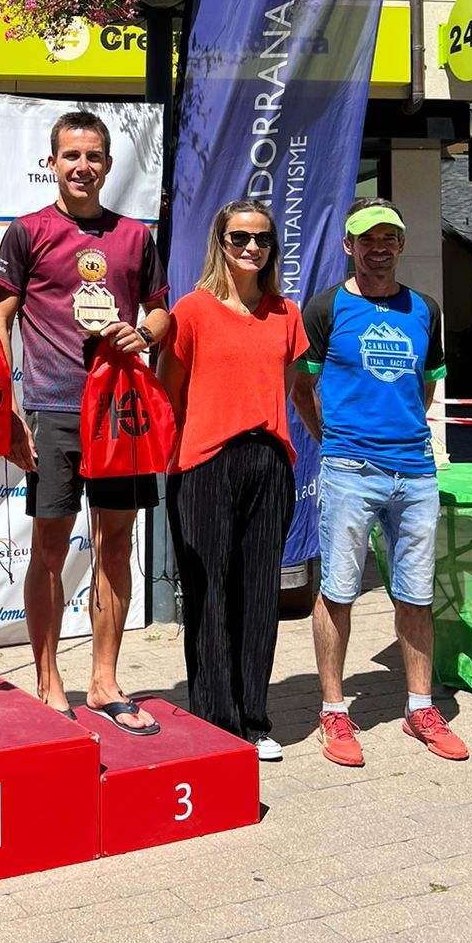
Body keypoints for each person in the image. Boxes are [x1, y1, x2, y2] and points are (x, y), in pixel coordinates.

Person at [0, 110, 168, 732]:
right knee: (48, 548)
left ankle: (104, 679)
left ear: (108, 165)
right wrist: (7, 403)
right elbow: (0, 320)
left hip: (119, 415)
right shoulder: (27, 233)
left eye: (93, 156)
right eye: (71, 156)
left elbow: (160, 311)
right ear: (53, 162)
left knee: (115, 543)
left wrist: (144, 333)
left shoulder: (135, 237)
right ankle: (46, 676)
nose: (82, 167)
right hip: (53, 412)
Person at [293, 199, 467, 765]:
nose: (379, 248)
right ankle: (335, 714)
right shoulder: (324, 309)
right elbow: (301, 389)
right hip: (349, 472)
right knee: (338, 591)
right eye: (368, 239)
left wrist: (402, 436)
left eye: (389, 238)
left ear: (399, 244)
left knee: (415, 594)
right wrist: (334, 441)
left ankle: (420, 708)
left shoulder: (425, 310)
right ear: (349, 246)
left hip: (414, 473)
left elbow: (426, 387)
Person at [158, 199, 307, 760]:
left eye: (262, 239)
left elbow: (289, 387)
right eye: (240, 238)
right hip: (202, 464)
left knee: (260, 593)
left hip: (269, 462)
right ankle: (217, 722)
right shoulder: (191, 310)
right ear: (220, 243)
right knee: (208, 593)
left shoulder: (285, 313)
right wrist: (176, 455)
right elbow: (169, 390)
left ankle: (253, 717)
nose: (251, 248)